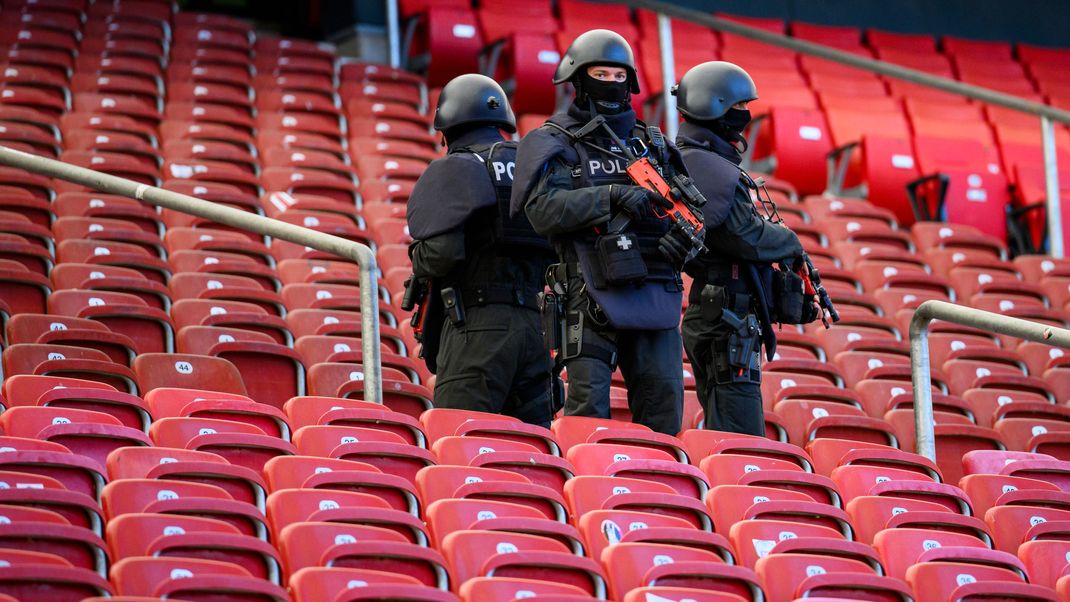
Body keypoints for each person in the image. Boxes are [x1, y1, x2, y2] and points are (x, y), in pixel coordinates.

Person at [510, 29, 704, 435]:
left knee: (664, 413)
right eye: (601, 74)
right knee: (588, 414)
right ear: (578, 79)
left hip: (655, 291)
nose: (611, 84)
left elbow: (691, 214)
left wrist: (686, 238)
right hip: (588, 293)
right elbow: (542, 212)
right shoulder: (553, 142)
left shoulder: (654, 145)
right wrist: (611, 196)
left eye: (619, 77)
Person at [405, 73, 556, 427]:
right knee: (530, 455)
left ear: (447, 126)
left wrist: (418, 258)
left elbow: (442, 253)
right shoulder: (537, 167)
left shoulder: (457, 166)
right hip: (537, 330)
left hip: (478, 327)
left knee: (463, 443)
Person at [672, 61, 811, 435]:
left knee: (728, 425)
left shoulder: (700, 160)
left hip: (719, 311)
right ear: (712, 108)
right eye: (737, 108)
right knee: (741, 436)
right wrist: (790, 241)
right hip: (724, 318)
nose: (744, 116)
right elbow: (743, 236)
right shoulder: (706, 165)